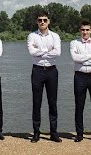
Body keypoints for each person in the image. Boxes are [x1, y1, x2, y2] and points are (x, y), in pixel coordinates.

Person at [27, 10, 61, 142]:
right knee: (37, 102)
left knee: (53, 102)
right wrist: (48, 51)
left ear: (49, 21)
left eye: (45, 20)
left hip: (52, 71)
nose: (42, 22)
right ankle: (36, 132)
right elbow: (32, 52)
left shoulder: (55, 36)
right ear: (37, 22)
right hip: (37, 71)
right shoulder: (32, 36)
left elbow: (57, 52)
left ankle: (54, 133)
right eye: (40, 20)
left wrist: (40, 52)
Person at [70, 20, 91, 143]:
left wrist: (82, 59)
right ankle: (79, 134)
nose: (85, 32)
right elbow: (75, 58)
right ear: (80, 31)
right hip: (79, 77)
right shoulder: (74, 43)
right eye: (83, 30)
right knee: (79, 106)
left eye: (87, 30)